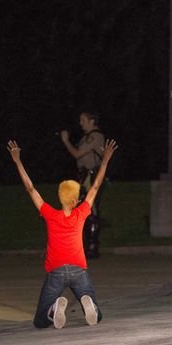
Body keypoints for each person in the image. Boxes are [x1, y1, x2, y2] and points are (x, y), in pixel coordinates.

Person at [7, 137, 118, 329]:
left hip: (56, 271)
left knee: (40, 322)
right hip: (78, 270)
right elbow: (96, 186)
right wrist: (106, 159)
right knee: (97, 317)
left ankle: (52, 310)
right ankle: (88, 303)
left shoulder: (50, 214)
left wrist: (17, 161)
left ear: (60, 198)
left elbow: (30, 188)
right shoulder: (81, 212)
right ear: (75, 201)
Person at [60, 111, 105, 258]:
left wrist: (66, 141)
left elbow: (78, 154)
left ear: (92, 121)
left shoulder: (95, 136)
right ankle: (85, 245)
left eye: (83, 120)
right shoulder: (85, 138)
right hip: (84, 177)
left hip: (92, 176)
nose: (81, 123)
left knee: (91, 210)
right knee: (82, 211)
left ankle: (92, 246)